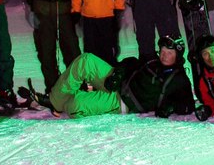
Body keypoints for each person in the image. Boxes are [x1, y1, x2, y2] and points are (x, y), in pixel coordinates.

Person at [47, 34, 194, 119]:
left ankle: (64, 101)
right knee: (86, 60)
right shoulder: (153, 61)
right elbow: (130, 62)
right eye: (163, 50)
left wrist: (170, 107)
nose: (164, 55)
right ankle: (55, 102)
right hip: (116, 80)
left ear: (178, 55)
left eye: (170, 53)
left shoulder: (179, 79)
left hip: (122, 101)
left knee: (76, 105)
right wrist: (118, 73)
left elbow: (188, 105)